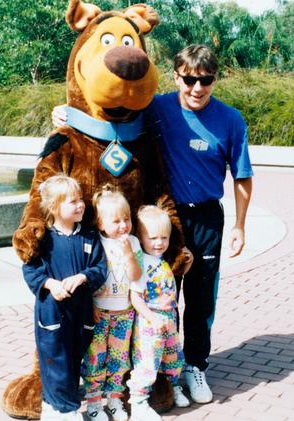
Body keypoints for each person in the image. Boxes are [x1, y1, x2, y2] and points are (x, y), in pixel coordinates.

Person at [51, 43, 253, 405]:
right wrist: (67, 114)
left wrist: (239, 225)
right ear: (177, 76)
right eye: (189, 79)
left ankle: (194, 366)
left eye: (205, 80)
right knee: (161, 296)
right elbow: (113, 113)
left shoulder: (231, 120)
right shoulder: (157, 107)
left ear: (214, 79)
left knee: (202, 296)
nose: (196, 88)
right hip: (165, 220)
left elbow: (241, 177)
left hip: (207, 216)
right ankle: (159, 368)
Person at [22, 174, 107, 421]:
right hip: (52, 311)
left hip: (80, 311)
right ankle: (67, 410)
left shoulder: (89, 236)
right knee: (56, 360)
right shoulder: (43, 238)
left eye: (81, 199)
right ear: (54, 207)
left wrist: (82, 277)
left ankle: (52, 405)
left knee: (74, 358)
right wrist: (49, 284)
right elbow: (30, 269)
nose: (80, 204)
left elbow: (100, 268)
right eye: (72, 201)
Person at [84, 185, 143, 421]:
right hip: (99, 312)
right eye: (116, 221)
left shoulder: (134, 243)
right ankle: (94, 400)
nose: (123, 226)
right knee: (95, 358)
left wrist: (129, 253)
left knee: (119, 359)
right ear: (100, 223)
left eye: (126, 219)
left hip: (124, 312)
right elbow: (86, 277)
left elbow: (136, 275)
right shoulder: (94, 243)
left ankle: (114, 398)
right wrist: (90, 306)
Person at [127, 205, 192, 421]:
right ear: (140, 236)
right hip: (149, 321)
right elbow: (135, 297)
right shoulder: (141, 263)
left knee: (173, 357)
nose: (159, 243)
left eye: (164, 237)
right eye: (153, 237)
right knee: (148, 361)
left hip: (169, 317)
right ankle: (138, 401)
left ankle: (173, 387)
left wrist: (188, 263)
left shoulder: (163, 260)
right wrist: (152, 318)